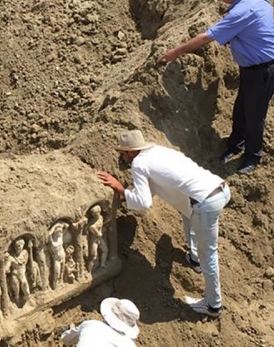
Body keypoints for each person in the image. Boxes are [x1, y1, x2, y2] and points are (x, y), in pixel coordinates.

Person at [159, 0, 274, 174]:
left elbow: (208, 37)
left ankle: (253, 155)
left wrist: (176, 52)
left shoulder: (243, 11)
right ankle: (236, 143)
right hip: (255, 67)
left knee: (255, 114)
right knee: (241, 108)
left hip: (263, 70)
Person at [98, 130, 230, 317]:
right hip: (219, 188)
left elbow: (144, 202)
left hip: (207, 202)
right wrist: (127, 195)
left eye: (123, 153)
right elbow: (153, 188)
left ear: (129, 152)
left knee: (208, 252)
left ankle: (213, 305)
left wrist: (121, 189)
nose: (123, 158)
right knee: (188, 212)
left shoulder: (138, 163)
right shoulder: (157, 152)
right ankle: (195, 259)